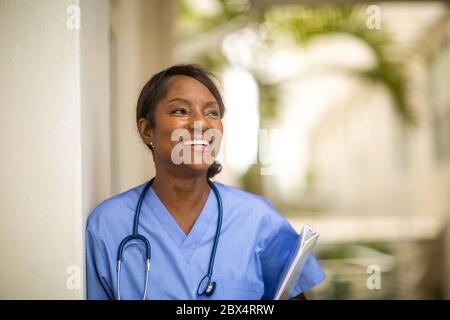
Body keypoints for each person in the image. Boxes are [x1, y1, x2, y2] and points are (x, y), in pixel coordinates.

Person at [85, 64, 325, 300]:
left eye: (212, 113)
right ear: (147, 130)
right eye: (180, 111)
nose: (200, 124)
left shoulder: (257, 219)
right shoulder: (108, 224)